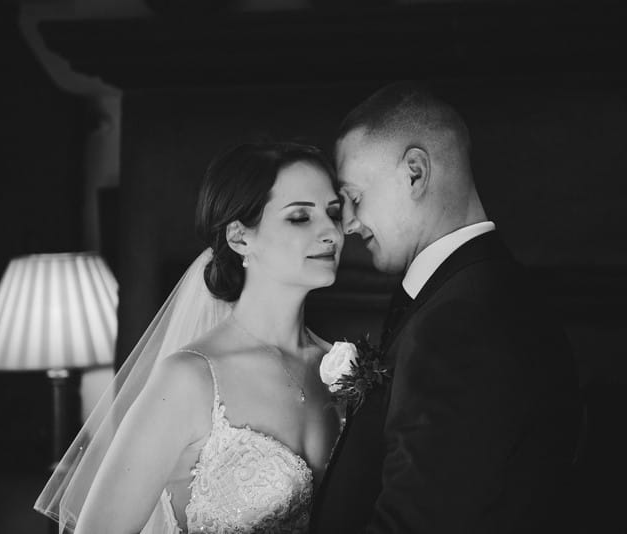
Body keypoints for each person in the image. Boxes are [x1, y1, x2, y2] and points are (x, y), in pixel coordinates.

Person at [312, 82, 582, 533]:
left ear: (415, 173)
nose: (350, 224)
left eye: (354, 198)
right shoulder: (475, 295)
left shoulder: (462, 322)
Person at [36, 141, 345, 533]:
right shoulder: (189, 379)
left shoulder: (341, 368)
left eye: (334, 213)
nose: (331, 231)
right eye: (300, 217)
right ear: (239, 237)